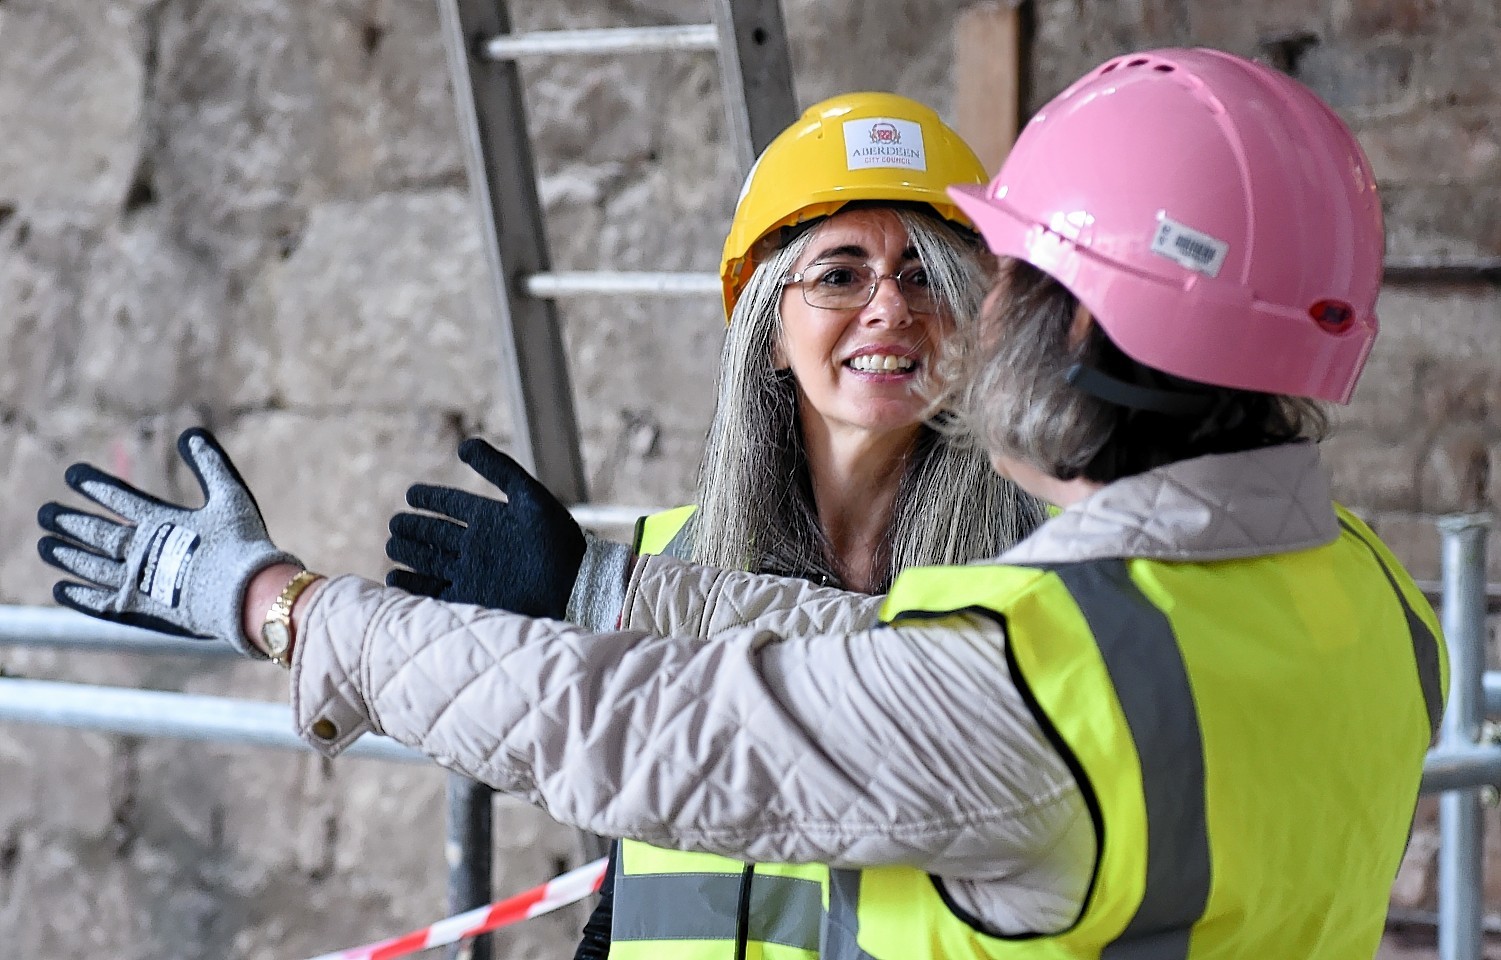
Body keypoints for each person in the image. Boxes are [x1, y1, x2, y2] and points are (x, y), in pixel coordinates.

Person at [38, 48, 1446, 959]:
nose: (940, 310)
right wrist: (613, 591)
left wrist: (273, 605)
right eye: (838, 273)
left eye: (992, 279)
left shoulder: (1033, 673)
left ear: (1077, 337)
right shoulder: (1380, 609)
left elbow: (629, 722)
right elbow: (864, 655)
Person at [380, 92, 1040, 959]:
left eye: (924, 274)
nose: (889, 308)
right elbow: (640, 878)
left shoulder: (1030, 575)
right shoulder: (670, 558)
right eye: (841, 273)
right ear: (769, 330)